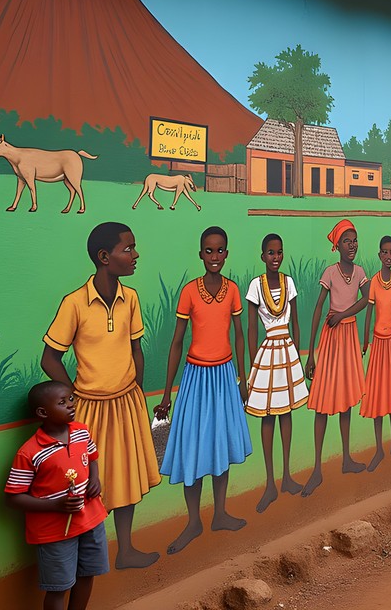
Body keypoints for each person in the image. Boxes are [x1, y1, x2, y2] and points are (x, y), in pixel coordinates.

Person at [42, 222, 160, 569]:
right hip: (89, 409)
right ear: (104, 257)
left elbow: (136, 348)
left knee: (126, 477)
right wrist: (72, 398)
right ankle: (88, 555)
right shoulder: (74, 304)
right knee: (91, 482)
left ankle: (124, 550)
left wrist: (136, 388)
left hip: (126, 401)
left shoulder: (131, 298)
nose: (135, 255)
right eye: (129, 249)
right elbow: (49, 357)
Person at [155, 226, 251, 553]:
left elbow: (239, 335)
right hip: (196, 376)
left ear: (227, 253)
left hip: (224, 375)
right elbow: (177, 342)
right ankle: (194, 521)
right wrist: (167, 394)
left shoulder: (233, 290)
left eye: (220, 250)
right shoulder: (189, 292)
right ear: (200, 254)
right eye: (208, 251)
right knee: (194, 448)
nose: (214, 256)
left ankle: (220, 512)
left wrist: (243, 378)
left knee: (220, 444)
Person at [5, 381, 108, 610]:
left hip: (90, 520)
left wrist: (95, 479)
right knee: (59, 587)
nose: (71, 405)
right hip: (55, 532)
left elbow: (92, 457)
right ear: (43, 412)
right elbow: (13, 497)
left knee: (87, 573)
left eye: (71, 399)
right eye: (62, 403)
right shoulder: (30, 452)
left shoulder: (81, 431)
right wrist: (56, 505)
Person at [302, 220, 370, 496]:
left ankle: (346, 459)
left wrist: (343, 314)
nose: (352, 246)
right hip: (331, 339)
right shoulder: (330, 272)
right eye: (347, 241)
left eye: (354, 241)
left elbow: (367, 299)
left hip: (348, 334)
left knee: (345, 402)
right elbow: (319, 307)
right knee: (323, 401)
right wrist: (310, 352)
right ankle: (317, 468)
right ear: (337, 245)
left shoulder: (360, 272)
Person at [244, 233, 308, 512]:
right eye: (271, 253)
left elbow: (295, 319)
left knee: (286, 413)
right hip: (268, 349)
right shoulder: (255, 286)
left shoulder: (289, 282)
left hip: (287, 351)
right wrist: (250, 365)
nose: (276, 257)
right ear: (262, 256)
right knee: (268, 415)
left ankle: (286, 477)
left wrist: (298, 350)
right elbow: (250, 328)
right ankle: (270, 483)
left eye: (279, 252)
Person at [360, 235, 391, 465]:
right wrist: (365, 339)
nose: (388, 256)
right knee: (377, 394)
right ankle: (379, 448)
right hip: (379, 343)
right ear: (379, 255)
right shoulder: (374, 282)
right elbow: (369, 312)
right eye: (385, 252)